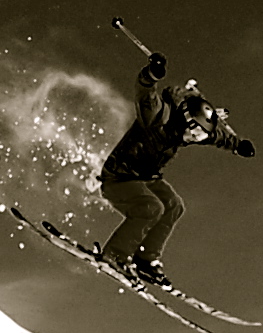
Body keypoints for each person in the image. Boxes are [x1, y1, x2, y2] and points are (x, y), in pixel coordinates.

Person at [97, 51, 254, 288]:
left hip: (147, 178)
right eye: (196, 133)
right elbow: (145, 93)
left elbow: (217, 137)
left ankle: (145, 259)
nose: (195, 139)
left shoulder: (191, 131)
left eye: (200, 137)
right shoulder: (158, 116)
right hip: (119, 176)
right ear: (188, 120)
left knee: (174, 206)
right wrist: (151, 74)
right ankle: (116, 254)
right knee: (151, 208)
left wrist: (237, 145)